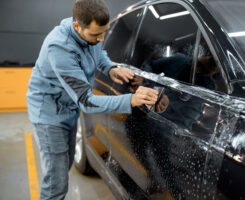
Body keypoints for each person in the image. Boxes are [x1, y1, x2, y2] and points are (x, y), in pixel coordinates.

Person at [26, 0, 158, 199]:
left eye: (104, 33)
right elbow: (85, 101)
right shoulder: (59, 47)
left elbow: (99, 53)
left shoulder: (91, 34)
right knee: (56, 182)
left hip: (68, 108)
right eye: (95, 34)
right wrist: (130, 100)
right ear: (77, 26)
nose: (101, 38)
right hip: (49, 115)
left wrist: (111, 69)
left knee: (66, 162)